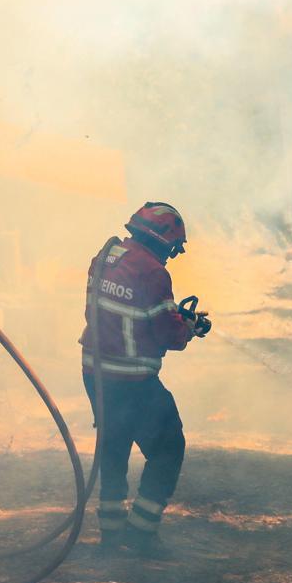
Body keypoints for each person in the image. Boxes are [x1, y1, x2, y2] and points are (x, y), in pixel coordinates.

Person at [80, 202, 208, 557]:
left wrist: (172, 318)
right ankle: (141, 534)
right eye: (173, 248)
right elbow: (168, 333)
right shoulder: (153, 273)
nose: (171, 256)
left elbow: (134, 314)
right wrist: (189, 328)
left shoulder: (107, 256)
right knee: (168, 449)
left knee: (114, 447)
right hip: (132, 379)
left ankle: (110, 536)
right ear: (164, 241)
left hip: (95, 373)